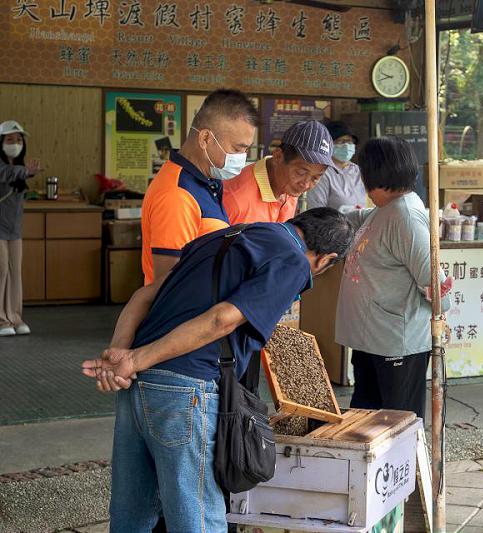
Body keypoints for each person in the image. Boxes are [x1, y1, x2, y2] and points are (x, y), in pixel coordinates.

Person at [80, 208, 355, 533]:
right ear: (325, 260)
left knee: (132, 515)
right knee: (196, 517)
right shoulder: (293, 260)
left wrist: (123, 356)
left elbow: (143, 296)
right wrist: (134, 360)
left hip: (137, 388)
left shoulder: (224, 235)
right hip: (185, 390)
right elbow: (220, 320)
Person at [335, 136, 450, 420]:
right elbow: (355, 219)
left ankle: (408, 468)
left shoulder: (405, 215)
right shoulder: (385, 209)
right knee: (367, 419)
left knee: (398, 422)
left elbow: (434, 281)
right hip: (373, 338)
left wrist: (440, 316)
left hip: (396, 341)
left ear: (373, 176)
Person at [140, 89, 258, 285]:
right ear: (205, 139)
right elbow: (168, 286)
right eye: (237, 149)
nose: (242, 157)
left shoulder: (208, 180)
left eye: (246, 150)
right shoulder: (177, 195)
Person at [223, 120, 339, 224]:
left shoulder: (287, 187)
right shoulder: (236, 200)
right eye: (301, 173)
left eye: (315, 178)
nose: (306, 184)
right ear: (278, 156)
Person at [0, 120, 42, 337]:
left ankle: (15, 317)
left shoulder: (19, 167)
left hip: (14, 230)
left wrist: (25, 172)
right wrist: (26, 172)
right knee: (1, 272)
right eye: (9, 140)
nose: (14, 144)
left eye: (18, 140)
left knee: (15, 273)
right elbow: (7, 173)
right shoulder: (8, 168)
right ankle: (1, 320)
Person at [306, 120, 368, 211]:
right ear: (329, 145)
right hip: (332, 224)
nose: (346, 145)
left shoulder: (358, 171)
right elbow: (316, 211)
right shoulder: (322, 173)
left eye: (350, 141)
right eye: (341, 141)